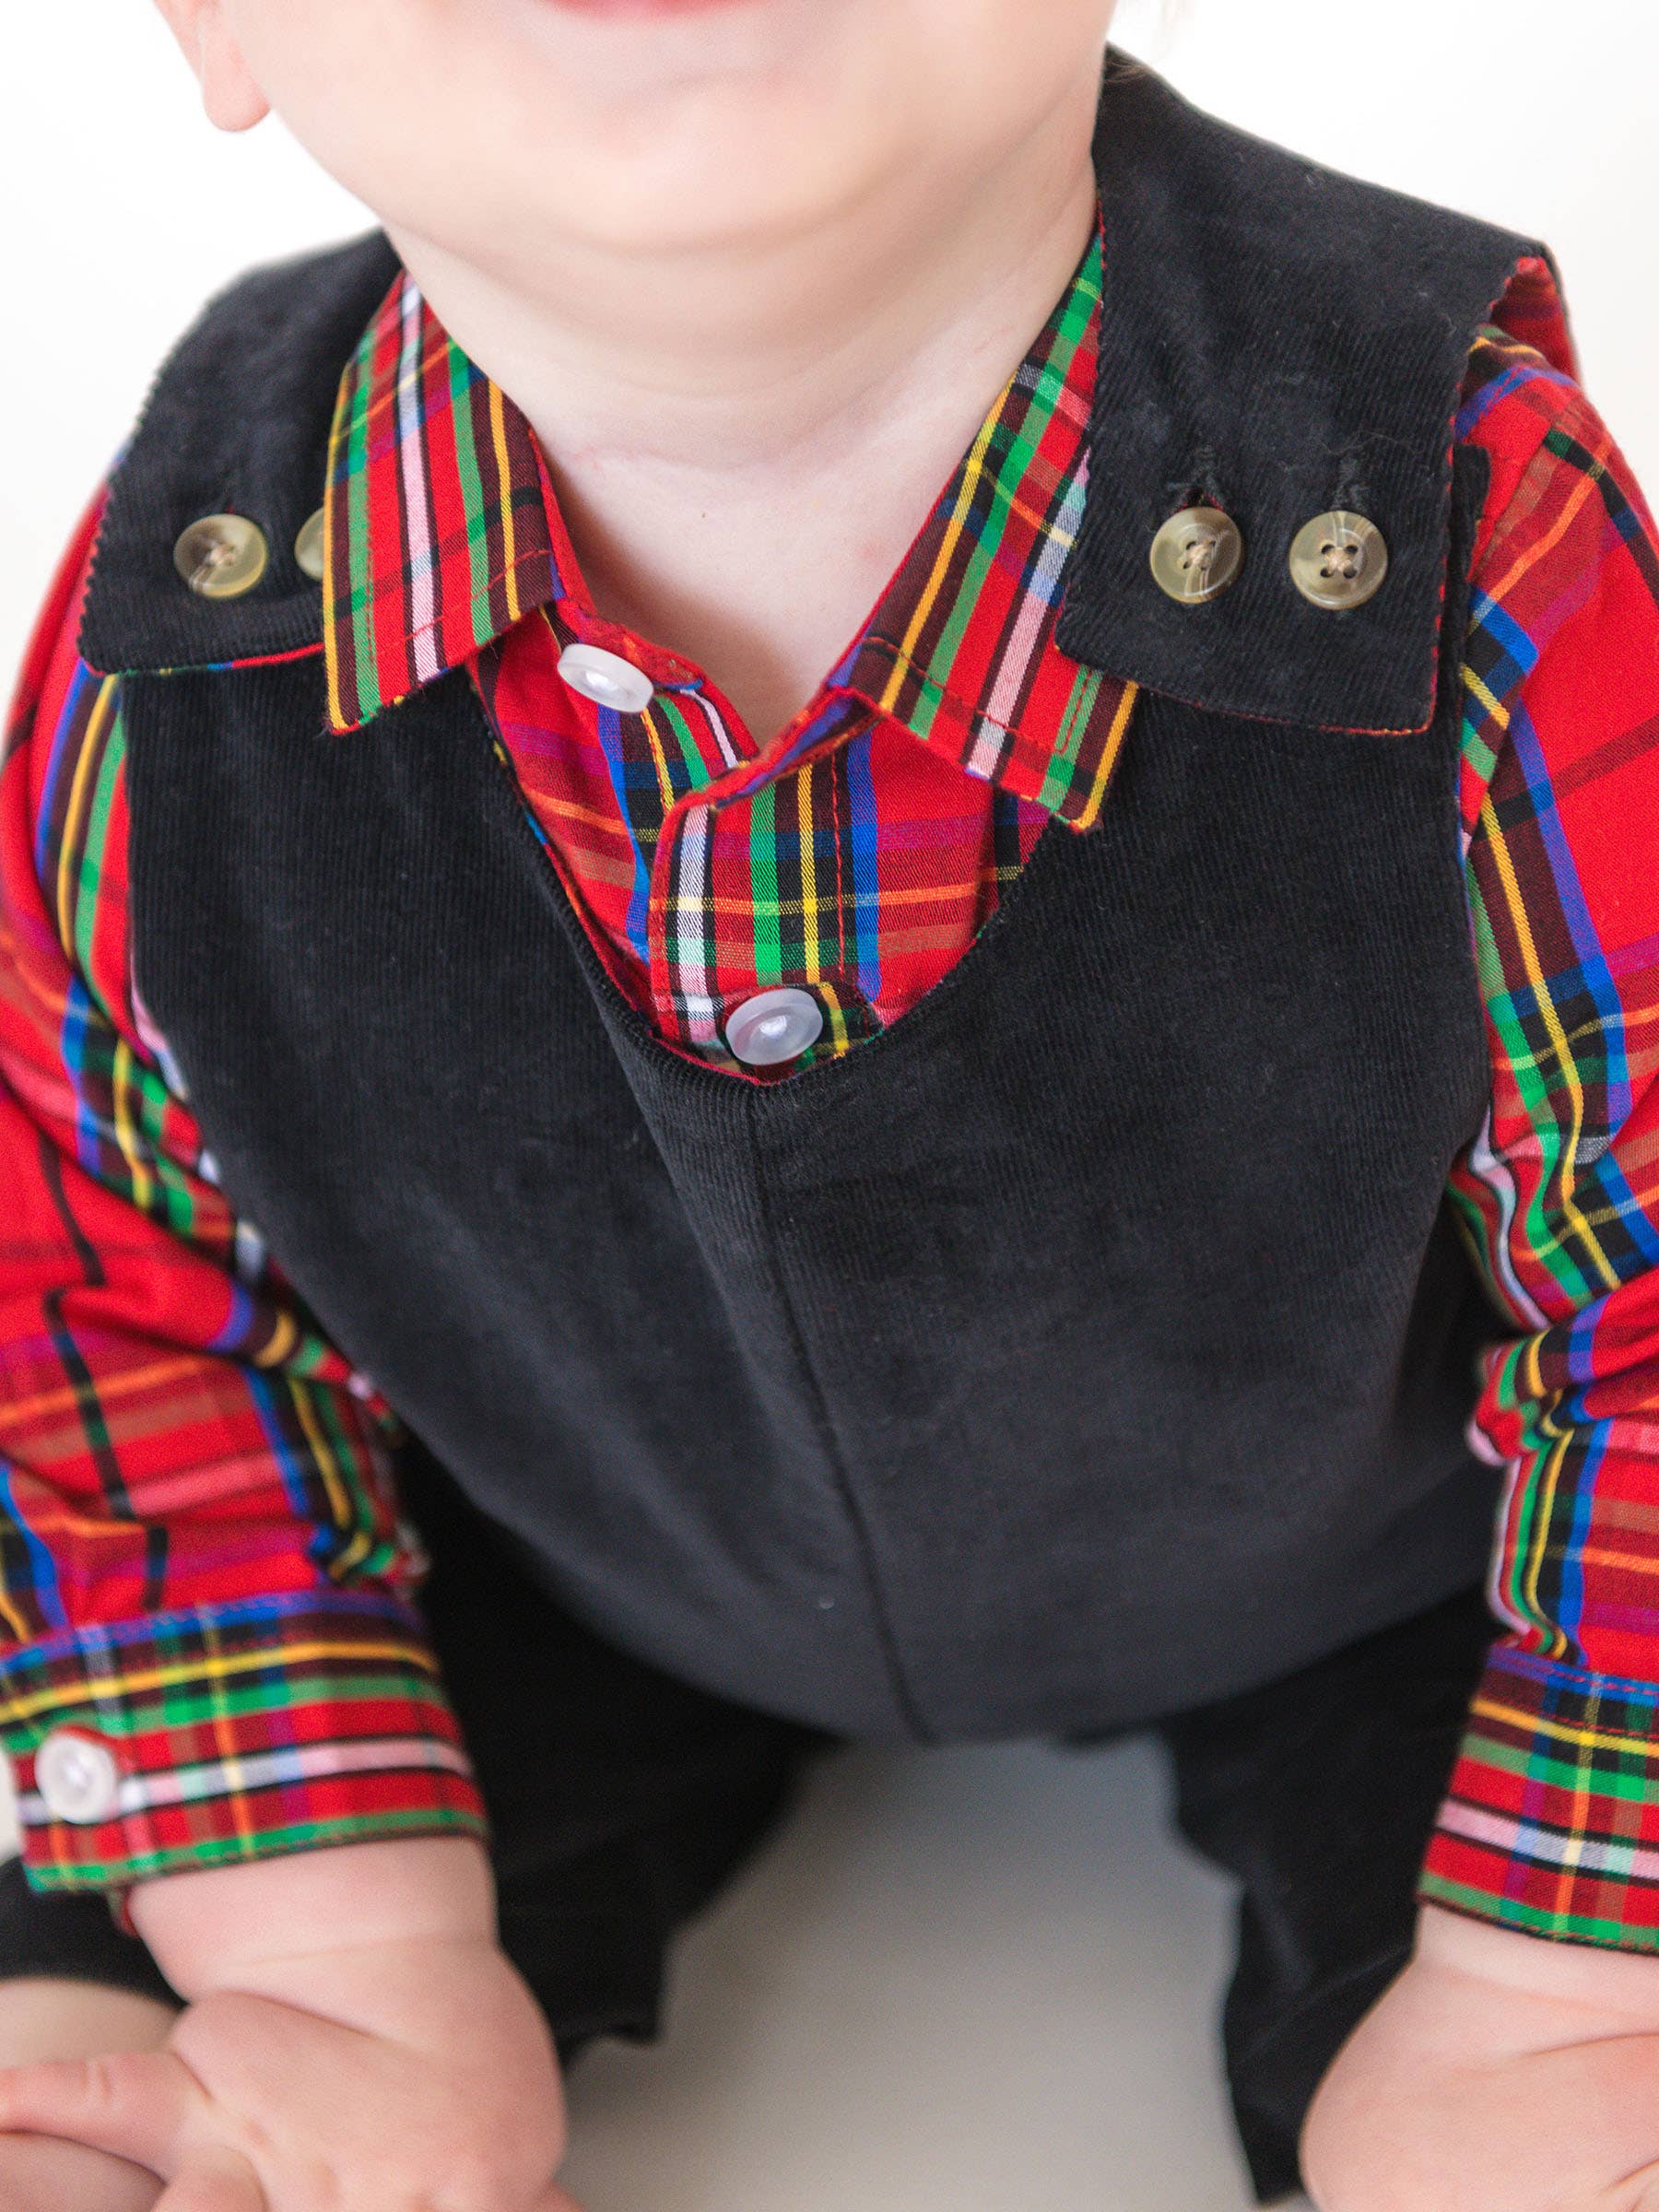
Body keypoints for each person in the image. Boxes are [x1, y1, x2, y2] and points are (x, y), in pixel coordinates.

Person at [1, 1, 1657, 2205]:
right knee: (98, 2070)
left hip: (1402, 1577)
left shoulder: (1454, 521)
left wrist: (1561, 1987)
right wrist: (334, 1957)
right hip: (553, 1552)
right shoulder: (201, 590)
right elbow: (106, 1289)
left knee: (1551, 2139)